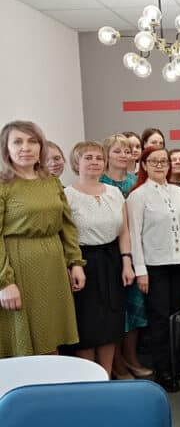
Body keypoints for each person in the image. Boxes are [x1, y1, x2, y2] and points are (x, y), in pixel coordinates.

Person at [0, 120, 85, 358]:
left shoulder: (51, 181)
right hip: (18, 267)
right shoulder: (3, 185)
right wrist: (4, 282)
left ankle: (51, 379)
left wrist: (75, 262)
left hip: (53, 265)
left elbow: (67, 225)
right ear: (6, 148)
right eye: (17, 142)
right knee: (22, 341)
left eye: (32, 141)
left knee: (51, 334)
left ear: (41, 147)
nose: (25, 148)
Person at [127, 146, 180, 392]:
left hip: (179, 263)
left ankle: (176, 362)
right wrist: (141, 271)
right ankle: (163, 370)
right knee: (159, 320)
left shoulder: (178, 192)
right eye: (154, 161)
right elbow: (134, 235)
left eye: (164, 161)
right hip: (154, 267)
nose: (160, 165)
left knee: (178, 316)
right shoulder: (138, 196)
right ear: (144, 165)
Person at [65, 141, 136, 376]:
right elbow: (65, 235)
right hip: (83, 263)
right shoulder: (67, 195)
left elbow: (124, 231)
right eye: (88, 158)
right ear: (76, 162)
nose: (94, 162)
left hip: (112, 260)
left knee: (111, 321)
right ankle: (89, 378)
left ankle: (106, 375)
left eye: (99, 158)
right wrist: (74, 265)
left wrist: (127, 262)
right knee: (87, 324)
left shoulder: (114, 193)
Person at [100, 134, 151, 380]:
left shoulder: (136, 181)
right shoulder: (100, 181)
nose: (124, 155)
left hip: (136, 252)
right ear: (107, 155)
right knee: (114, 310)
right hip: (109, 254)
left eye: (127, 151)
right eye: (117, 151)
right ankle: (117, 362)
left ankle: (131, 357)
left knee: (136, 308)